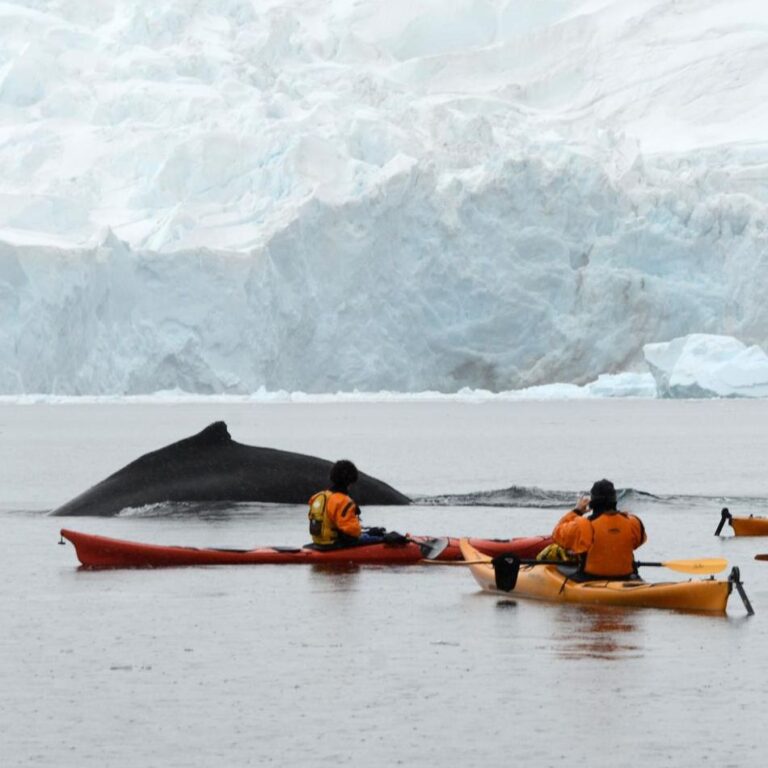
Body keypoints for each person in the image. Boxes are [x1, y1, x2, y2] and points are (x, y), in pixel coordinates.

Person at [550, 479, 646, 578]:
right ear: (614, 501)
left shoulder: (584, 526)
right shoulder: (633, 523)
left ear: (592, 503)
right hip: (626, 577)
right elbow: (640, 540)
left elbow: (557, 534)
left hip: (591, 578)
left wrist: (577, 511)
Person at [308, 459, 400, 548]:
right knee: (383, 538)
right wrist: (378, 537)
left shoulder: (318, 497)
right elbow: (352, 532)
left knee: (371, 533)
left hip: (320, 542)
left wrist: (368, 531)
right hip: (336, 545)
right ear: (350, 482)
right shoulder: (343, 501)